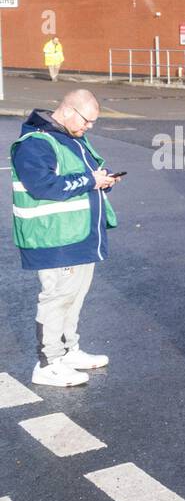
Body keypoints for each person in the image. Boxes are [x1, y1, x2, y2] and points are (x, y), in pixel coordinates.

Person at [10, 90, 116, 387]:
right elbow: (42, 185)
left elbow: (82, 177)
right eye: (87, 120)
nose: (89, 127)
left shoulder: (70, 137)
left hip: (77, 234)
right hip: (55, 237)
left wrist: (103, 180)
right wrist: (90, 180)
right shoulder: (35, 143)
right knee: (57, 298)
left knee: (74, 296)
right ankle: (48, 363)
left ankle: (68, 351)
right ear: (68, 110)